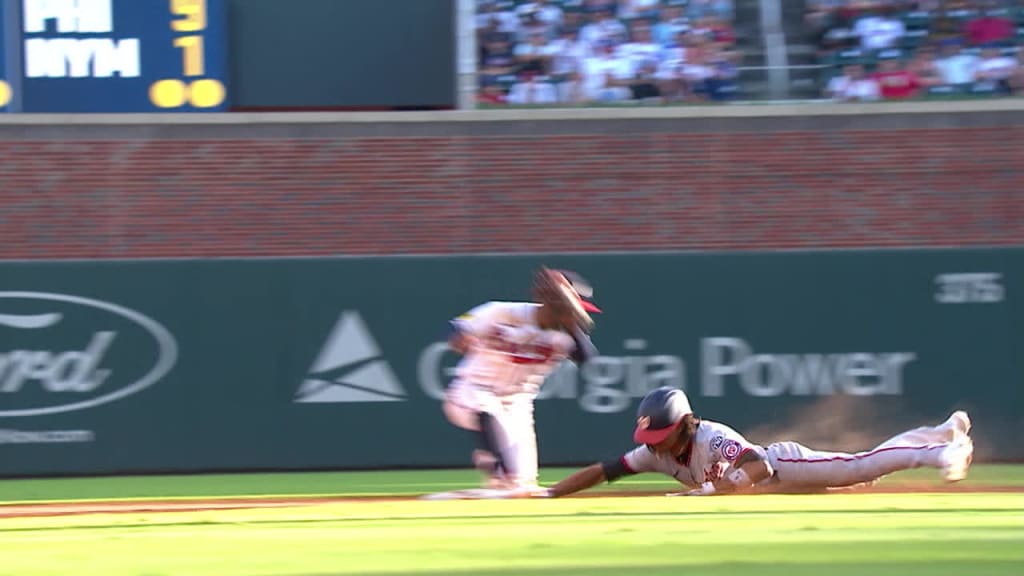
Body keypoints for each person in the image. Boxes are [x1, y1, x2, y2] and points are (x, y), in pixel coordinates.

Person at [537, 386, 974, 498]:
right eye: (650, 437)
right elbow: (605, 470)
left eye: (661, 434)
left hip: (785, 467)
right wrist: (550, 492)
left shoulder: (713, 438)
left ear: (686, 424)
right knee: (861, 478)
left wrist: (710, 490)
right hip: (779, 491)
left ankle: (944, 451)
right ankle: (941, 434)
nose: (654, 445)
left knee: (863, 466)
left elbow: (758, 467)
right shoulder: (654, 455)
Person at [442, 267, 601, 491]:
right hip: (471, 390)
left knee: (523, 483)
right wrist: (460, 338)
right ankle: (494, 463)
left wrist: (569, 322)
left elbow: (587, 359)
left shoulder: (567, 335)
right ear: (551, 301)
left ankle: (494, 469)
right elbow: (456, 327)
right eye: (571, 308)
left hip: (517, 403)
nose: (575, 314)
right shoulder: (504, 312)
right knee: (488, 411)